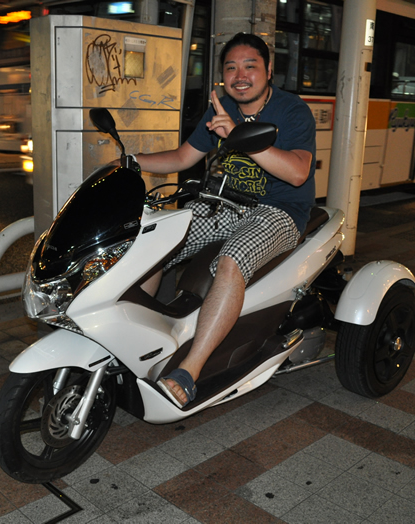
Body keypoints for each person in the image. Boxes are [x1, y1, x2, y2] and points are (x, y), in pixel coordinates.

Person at [127, 33, 316, 408]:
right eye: (231, 67)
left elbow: (298, 173)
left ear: (269, 70)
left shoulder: (293, 111)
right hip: (224, 204)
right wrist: (131, 161)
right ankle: (137, 339)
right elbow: (183, 157)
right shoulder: (222, 108)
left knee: (232, 259)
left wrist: (239, 136)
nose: (240, 75)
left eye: (250, 66)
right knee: (153, 238)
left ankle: (189, 370)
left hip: (279, 210)